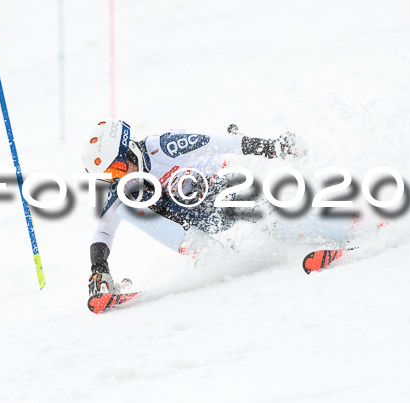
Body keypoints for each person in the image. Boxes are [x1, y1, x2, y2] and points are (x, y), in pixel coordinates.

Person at [82, 119, 314, 296]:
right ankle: (211, 255)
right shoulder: (124, 186)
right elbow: (103, 231)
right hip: (199, 220)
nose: (116, 178)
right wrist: (99, 269)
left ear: (129, 151)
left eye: (118, 170)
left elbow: (221, 144)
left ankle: (303, 226)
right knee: (127, 207)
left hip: (222, 190)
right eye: (108, 176)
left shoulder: (163, 147)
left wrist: (272, 147)